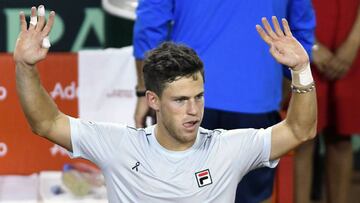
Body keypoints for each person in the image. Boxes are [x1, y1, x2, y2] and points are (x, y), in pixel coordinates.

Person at [14, 5, 317, 202]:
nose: (194, 110)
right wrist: (26, 67)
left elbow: (300, 131)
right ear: (153, 100)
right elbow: (46, 122)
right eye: (180, 100)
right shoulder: (118, 145)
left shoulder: (230, 148)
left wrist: (301, 70)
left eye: (198, 97)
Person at [132, 1, 315, 202]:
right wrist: (281, 83)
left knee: (177, 193)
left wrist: (144, 90)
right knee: (252, 196)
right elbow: (300, 32)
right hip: (255, 94)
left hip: (184, 99)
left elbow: (150, 22)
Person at [295, 0, 360, 202]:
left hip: (351, 38)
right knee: (301, 138)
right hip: (303, 38)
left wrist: (354, 41)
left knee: (341, 136)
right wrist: (309, 44)